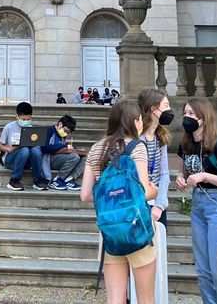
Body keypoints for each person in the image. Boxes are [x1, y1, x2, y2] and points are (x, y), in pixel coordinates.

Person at [81, 99, 157, 304]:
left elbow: (86, 195)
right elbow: (143, 191)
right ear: (134, 121)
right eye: (141, 120)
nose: (142, 124)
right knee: (146, 298)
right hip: (136, 228)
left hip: (110, 232)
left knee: (115, 299)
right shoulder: (136, 147)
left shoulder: (97, 148)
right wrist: (154, 191)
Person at [176, 97, 217, 304]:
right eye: (185, 113)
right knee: (203, 269)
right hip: (198, 204)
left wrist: (205, 176)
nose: (187, 117)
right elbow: (183, 172)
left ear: (203, 118)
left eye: (191, 114)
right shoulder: (185, 144)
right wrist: (181, 180)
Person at [136, 89, 173, 304]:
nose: (169, 110)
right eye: (165, 106)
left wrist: (160, 204)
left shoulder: (161, 137)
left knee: (157, 258)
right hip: (140, 205)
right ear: (153, 109)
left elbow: (165, 173)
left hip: (158, 206)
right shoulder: (137, 138)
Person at [0, 101, 50, 191]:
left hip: (26, 161)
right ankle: (14, 180)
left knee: (35, 150)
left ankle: (38, 180)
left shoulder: (31, 129)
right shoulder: (9, 127)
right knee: (25, 150)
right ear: (17, 116)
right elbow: (0, 145)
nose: (25, 122)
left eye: (28, 119)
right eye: (23, 119)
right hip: (11, 160)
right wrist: (9, 149)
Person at [41, 114, 86, 190]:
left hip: (60, 158)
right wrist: (64, 147)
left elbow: (62, 147)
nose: (66, 133)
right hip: (48, 159)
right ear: (60, 124)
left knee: (86, 157)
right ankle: (58, 180)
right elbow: (44, 148)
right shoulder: (49, 130)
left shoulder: (62, 135)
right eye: (65, 131)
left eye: (68, 133)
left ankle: (69, 179)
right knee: (74, 157)